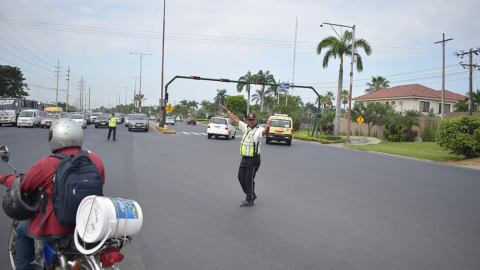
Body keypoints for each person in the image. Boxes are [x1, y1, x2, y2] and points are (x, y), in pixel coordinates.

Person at [0, 118, 106, 270]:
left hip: (56, 228)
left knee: (22, 230)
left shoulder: (46, 163)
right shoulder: (94, 159)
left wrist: (5, 178)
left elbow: (23, 186)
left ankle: (24, 266)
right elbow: (101, 182)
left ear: (54, 138)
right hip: (87, 226)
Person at [219, 104, 271, 207]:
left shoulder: (259, 130)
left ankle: (249, 199)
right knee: (240, 177)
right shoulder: (245, 127)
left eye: (253, 120)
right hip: (244, 158)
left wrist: (268, 127)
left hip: (254, 159)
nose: (251, 121)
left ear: (256, 120)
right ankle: (251, 194)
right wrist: (227, 111)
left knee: (249, 179)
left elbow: (264, 132)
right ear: (247, 121)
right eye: (249, 120)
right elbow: (235, 119)